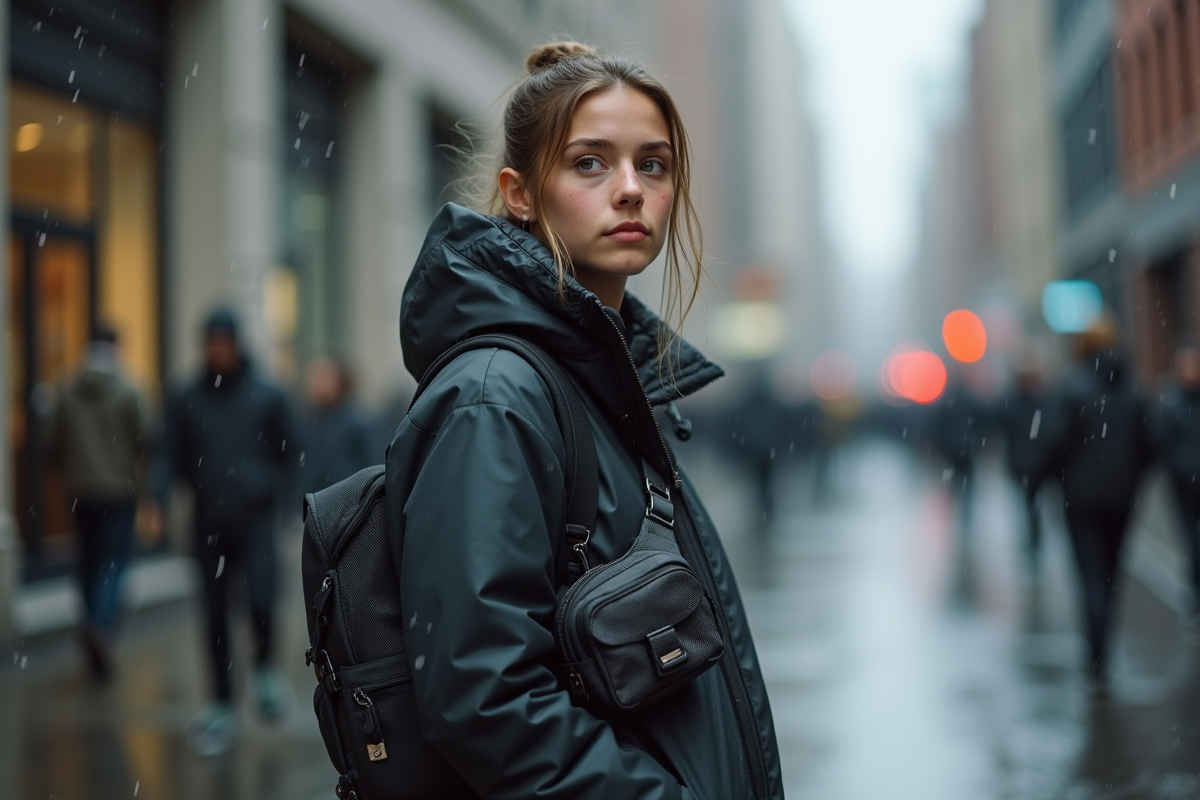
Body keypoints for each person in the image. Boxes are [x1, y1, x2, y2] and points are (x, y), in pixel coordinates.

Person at [384, 42, 783, 798]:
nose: (631, 189)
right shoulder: (497, 396)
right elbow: (486, 700)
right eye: (591, 163)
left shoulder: (598, 380)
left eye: (654, 164)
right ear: (520, 193)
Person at [158, 307, 300, 756]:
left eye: (224, 342)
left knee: (261, 600)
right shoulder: (186, 398)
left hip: (256, 521)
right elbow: (168, 453)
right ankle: (220, 703)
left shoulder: (267, 396)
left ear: (237, 345)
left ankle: (264, 672)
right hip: (209, 524)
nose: (217, 351)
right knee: (214, 615)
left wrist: (290, 501)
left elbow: (291, 450)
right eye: (210, 343)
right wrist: (157, 496)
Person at [46, 323, 154, 680]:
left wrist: (68, 470)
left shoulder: (65, 385)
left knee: (87, 560)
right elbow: (147, 438)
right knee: (113, 562)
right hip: (118, 491)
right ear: (116, 347)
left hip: (79, 490)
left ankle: (92, 620)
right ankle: (101, 627)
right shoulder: (129, 387)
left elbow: (51, 441)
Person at [1053, 321, 1151, 694]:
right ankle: (1103, 652)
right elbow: (1149, 444)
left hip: (1081, 499)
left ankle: (1096, 659)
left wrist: (1059, 476)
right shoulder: (1133, 388)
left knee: (1091, 575)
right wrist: (1131, 476)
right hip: (1121, 497)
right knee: (1110, 573)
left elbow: (1055, 442)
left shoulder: (1073, 388)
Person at [997, 353, 1062, 574]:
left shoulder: (1028, 401)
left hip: (1032, 464)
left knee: (1030, 507)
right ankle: (1033, 544)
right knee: (1030, 507)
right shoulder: (1034, 401)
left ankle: (1033, 544)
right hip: (1028, 464)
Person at [1153, 343, 1200, 624]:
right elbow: (1163, 444)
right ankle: (1194, 592)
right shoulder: (1169, 403)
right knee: (1191, 541)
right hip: (1184, 483)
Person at [298, 357, 381, 496]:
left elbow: (372, 464)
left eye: (324, 377)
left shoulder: (357, 421)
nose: (317, 383)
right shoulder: (306, 421)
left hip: (347, 503)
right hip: (314, 503)